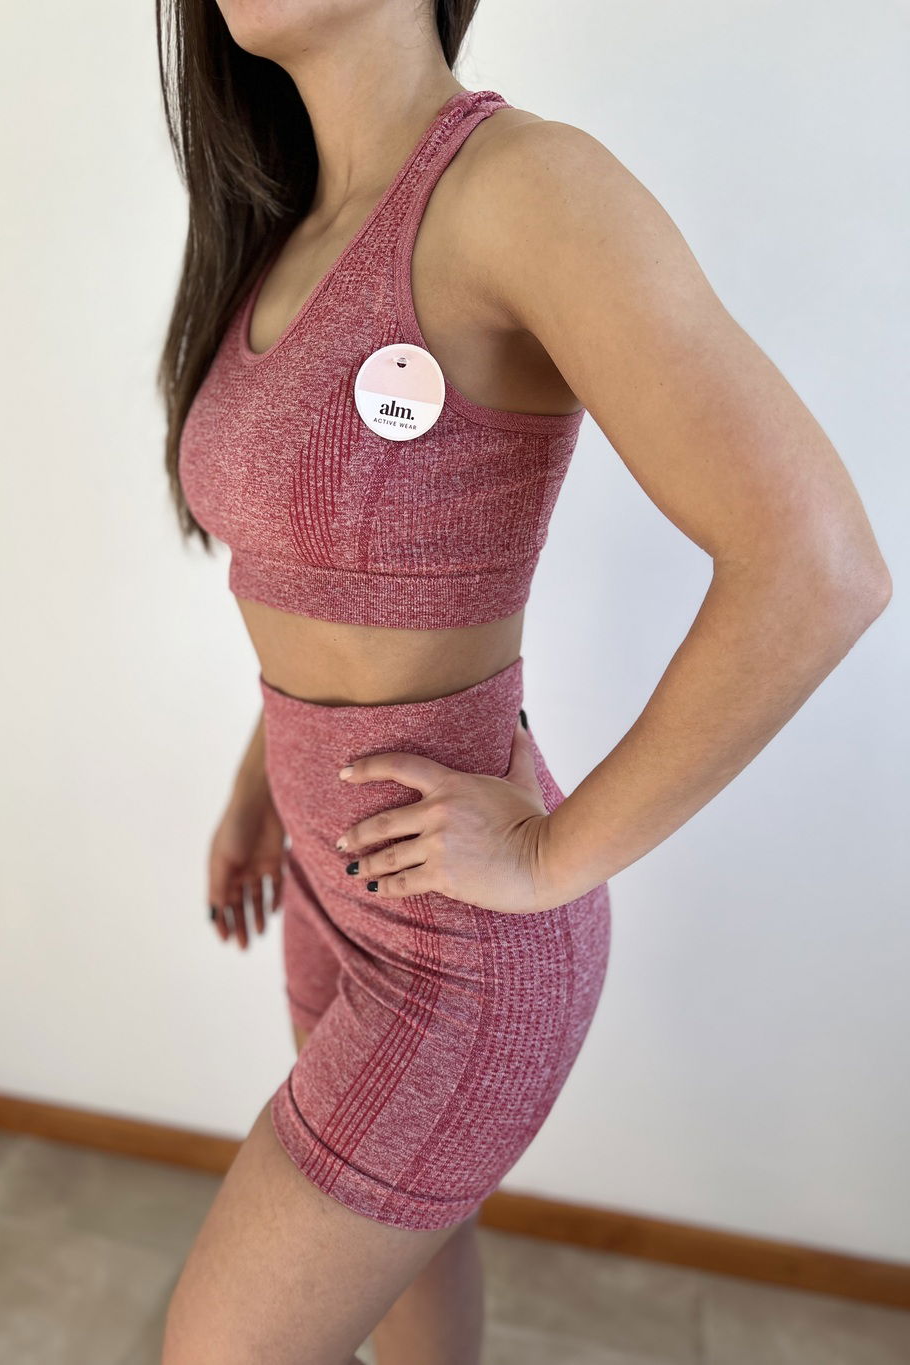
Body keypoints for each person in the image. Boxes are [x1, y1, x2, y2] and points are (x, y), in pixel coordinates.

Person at [155, 3, 891, 1362]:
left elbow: (819, 567)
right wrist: (263, 785)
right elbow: (317, 584)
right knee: (410, 1271)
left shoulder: (521, 190)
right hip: (332, 881)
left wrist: (554, 854)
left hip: (457, 947)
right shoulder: (285, 236)